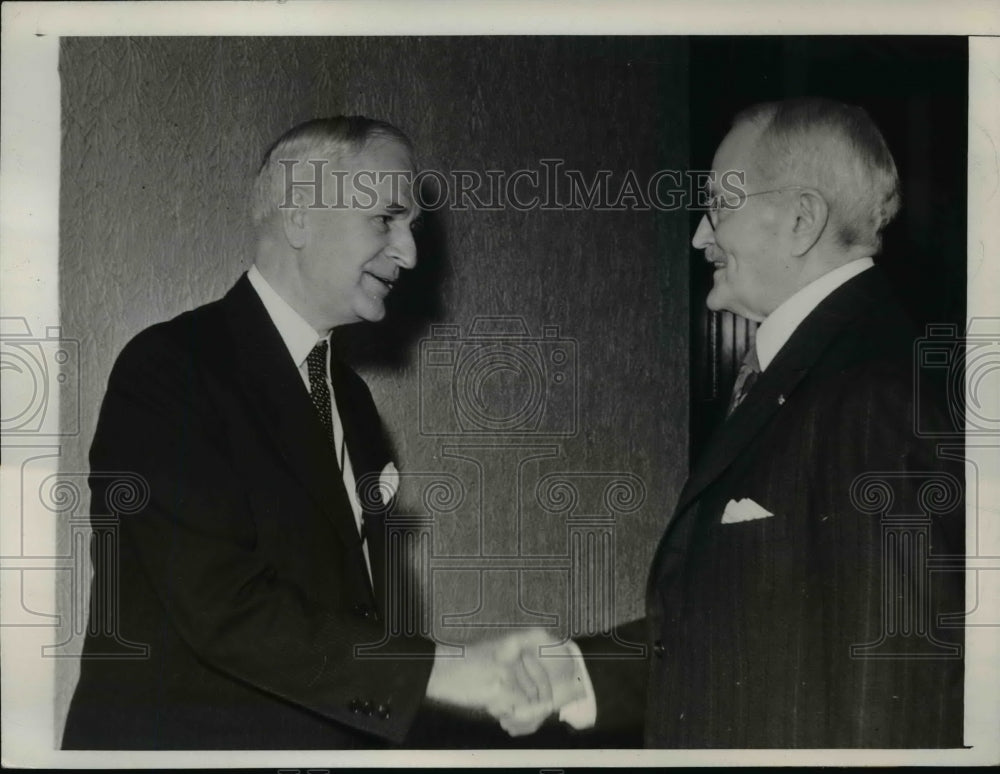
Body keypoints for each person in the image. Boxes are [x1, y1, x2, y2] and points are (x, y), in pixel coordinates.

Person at [61, 116, 571, 749]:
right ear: (300, 215)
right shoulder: (171, 368)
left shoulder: (348, 398)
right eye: (386, 219)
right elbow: (222, 607)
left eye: (409, 227)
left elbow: (341, 618)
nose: (410, 253)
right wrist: (445, 669)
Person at [513, 97, 965, 747]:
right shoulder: (810, 372)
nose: (700, 234)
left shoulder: (876, 396)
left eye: (720, 205)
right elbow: (764, 632)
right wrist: (575, 674)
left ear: (800, 220)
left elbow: (895, 689)